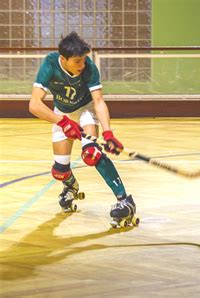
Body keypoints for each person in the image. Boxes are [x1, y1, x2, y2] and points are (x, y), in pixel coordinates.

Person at [28, 32, 138, 228]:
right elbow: (35, 105)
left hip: (85, 109)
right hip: (62, 113)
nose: (82, 65)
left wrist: (108, 133)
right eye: (77, 61)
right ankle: (70, 186)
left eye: (84, 60)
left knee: (92, 154)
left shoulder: (89, 68)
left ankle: (125, 201)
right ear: (64, 59)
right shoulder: (50, 64)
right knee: (59, 171)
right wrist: (63, 122)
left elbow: (99, 101)